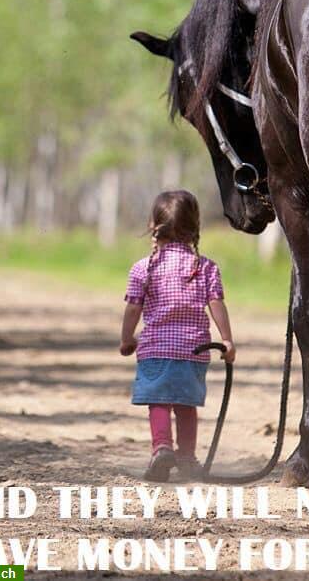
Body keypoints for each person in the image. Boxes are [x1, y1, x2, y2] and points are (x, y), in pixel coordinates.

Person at [120, 189, 236, 481]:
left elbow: (133, 309)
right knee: (186, 404)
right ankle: (186, 457)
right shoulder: (205, 267)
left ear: (153, 225)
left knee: (158, 400)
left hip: (156, 349)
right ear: (195, 227)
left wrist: (126, 339)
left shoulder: (142, 268)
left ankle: (161, 448)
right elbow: (216, 305)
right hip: (193, 350)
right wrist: (227, 339)